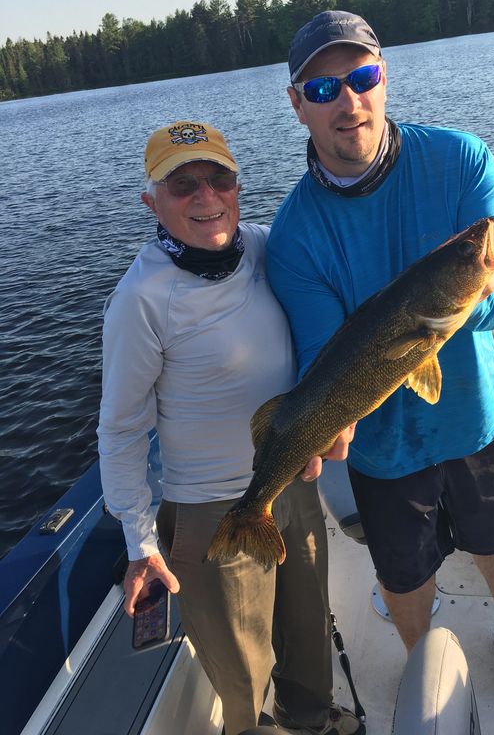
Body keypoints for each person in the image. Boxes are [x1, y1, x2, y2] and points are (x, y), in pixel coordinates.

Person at [266, 11, 494, 716]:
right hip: (381, 445)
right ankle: (421, 657)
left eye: (362, 78)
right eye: (325, 87)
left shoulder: (460, 159)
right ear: (298, 104)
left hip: (475, 413)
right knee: (402, 571)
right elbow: (323, 358)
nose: (350, 101)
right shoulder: (294, 235)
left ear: (384, 78)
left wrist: (461, 307)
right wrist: (322, 430)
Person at [97, 120, 364, 735]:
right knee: (242, 669)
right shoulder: (140, 300)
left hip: (292, 476)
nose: (206, 197)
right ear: (151, 201)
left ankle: (308, 715)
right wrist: (140, 542)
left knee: (307, 624)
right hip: (211, 507)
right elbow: (120, 432)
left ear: (238, 186)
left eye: (220, 178)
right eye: (183, 184)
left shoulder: (265, 246)